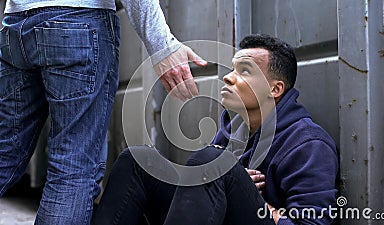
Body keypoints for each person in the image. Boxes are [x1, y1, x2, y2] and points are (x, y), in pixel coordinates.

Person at [92, 34, 339, 225]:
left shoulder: (308, 143)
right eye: (232, 69)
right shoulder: (233, 131)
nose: (228, 78)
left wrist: (256, 201)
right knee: (138, 161)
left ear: (275, 89)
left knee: (213, 161)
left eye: (245, 71)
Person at [0, 0, 207, 224]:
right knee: (73, 166)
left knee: (5, 150)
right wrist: (163, 46)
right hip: (78, 21)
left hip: (17, 24)